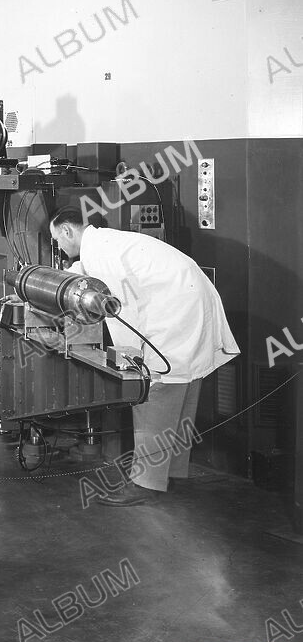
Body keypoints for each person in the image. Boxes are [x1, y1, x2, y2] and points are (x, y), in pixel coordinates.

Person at [49, 207, 239, 506]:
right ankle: (171, 473)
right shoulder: (102, 243)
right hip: (189, 301)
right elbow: (81, 273)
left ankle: (146, 484)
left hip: (175, 310)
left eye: (57, 239)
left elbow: (118, 306)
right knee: (182, 388)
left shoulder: (101, 251)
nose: (58, 247)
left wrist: (131, 361)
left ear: (66, 231)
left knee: (154, 391)